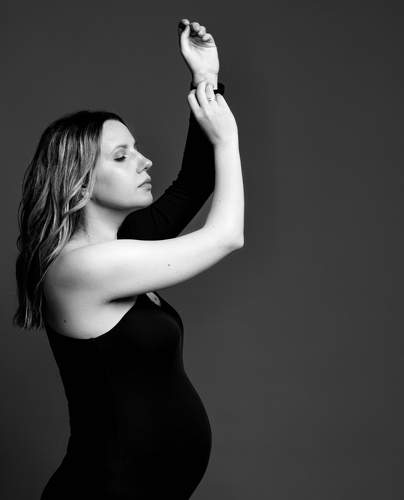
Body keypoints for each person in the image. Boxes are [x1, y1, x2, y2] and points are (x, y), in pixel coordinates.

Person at [13, 18, 244, 499]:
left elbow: (194, 184)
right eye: (122, 156)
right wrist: (228, 141)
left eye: (136, 150)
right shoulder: (79, 270)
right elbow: (226, 237)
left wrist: (205, 80)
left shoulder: (125, 241)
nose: (144, 161)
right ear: (79, 184)